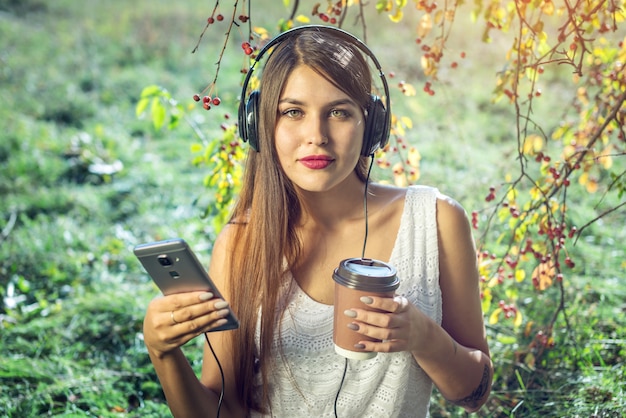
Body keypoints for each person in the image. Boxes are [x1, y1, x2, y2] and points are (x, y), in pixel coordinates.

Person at [142, 25, 493, 417]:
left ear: (373, 124)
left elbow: (474, 394)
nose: (316, 136)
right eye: (293, 112)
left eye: (339, 112)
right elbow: (225, 411)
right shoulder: (243, 242)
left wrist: (424, 336)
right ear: (260, 126)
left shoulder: (437, 220)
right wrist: (163, 353)